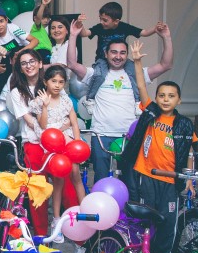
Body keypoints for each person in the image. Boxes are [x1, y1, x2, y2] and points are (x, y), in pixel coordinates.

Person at [66, 18, 174, 185]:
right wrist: (73, 35)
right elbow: (72, 64)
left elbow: (165, 65)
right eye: (114, 52)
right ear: (106, 54)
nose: (118, 56)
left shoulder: (137, 74)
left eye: (122, 53)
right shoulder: (96, 73)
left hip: (128, 135)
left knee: (129, 182)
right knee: (101, 179)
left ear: (127, 55)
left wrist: (166, 37)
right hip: (101, 134)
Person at [121, 40, 196, 253]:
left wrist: (189, 179)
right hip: (147, 175)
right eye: (162, 95)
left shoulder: (184, 124)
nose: (165, 99)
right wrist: (137, 61)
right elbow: (141, 86)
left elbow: (190, 153)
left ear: (179, 100)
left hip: (171, 181)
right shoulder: (151, 112)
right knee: (145, 219)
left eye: (171, 96)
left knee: (167, 222)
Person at [29, 66, 85, 223]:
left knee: (76, 174)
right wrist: (45, 106)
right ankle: (56, 218)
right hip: (52, 144)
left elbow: (74, 123)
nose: (57, 85)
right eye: (53, 81)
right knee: (58, 181)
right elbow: (43, 125)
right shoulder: (38, 102)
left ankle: (85, 212)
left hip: (68, 141)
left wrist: (77, 143)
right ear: (45, 81)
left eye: (61, 82)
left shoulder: (66, 100)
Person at [7, 49, 49, 236]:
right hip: (33, 143)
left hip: (56, 143)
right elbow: (30, 122)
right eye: (24, 63)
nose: (29, 65)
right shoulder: (17, 92)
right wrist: (46, 132)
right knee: (37, 190)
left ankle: (75, 236)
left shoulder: (50, 84)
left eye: (32, 61)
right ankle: (41, 234)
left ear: (40, 63)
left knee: (66, 185)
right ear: (20, 68)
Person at [0, 6, 39, 105]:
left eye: (1, 21)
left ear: (6, 20)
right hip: (8, 59)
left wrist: (21, 52)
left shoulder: (13, 28)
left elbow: (35, 40)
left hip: (24, 54)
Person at [76, 1, 158, 61]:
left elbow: (144, 32)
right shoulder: (99, 27)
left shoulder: (124, 27)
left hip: (120, 61)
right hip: (102, 61)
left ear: (116, 21)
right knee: (99, 75)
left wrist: (155, 28)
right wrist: (79, 23)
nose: (101, 22)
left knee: (132, 70)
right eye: (100, 19)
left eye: (105, 20)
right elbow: (84, 34)